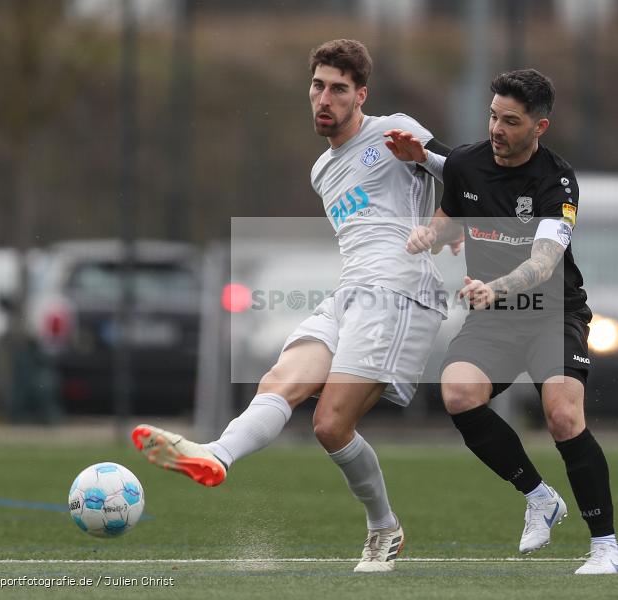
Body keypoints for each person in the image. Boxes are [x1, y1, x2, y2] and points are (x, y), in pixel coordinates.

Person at [131, 39, 452, 573]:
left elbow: (465, 174)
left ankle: (383, 528)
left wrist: (440, 212)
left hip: (400, 293)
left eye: (339, 89)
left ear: (361, 95)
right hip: (350, 293)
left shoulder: (395, 128)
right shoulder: (321, 171)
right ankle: (216, 454)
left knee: (329, 425)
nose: (324, 98)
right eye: (317, 86)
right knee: (279, 380)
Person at [389, 68, 618, 575]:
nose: (496, 129)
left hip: (552, 313)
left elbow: (544, 262)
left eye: (511, 121)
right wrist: (428, 235)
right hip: (494, 318)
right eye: (493, 116)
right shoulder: (466, 163)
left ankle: (607, 548)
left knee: (562, 415)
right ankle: (539, 497)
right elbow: (449, 216)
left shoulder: (557, 181)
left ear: (540, 127)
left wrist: (496, 287)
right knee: (458, 393)